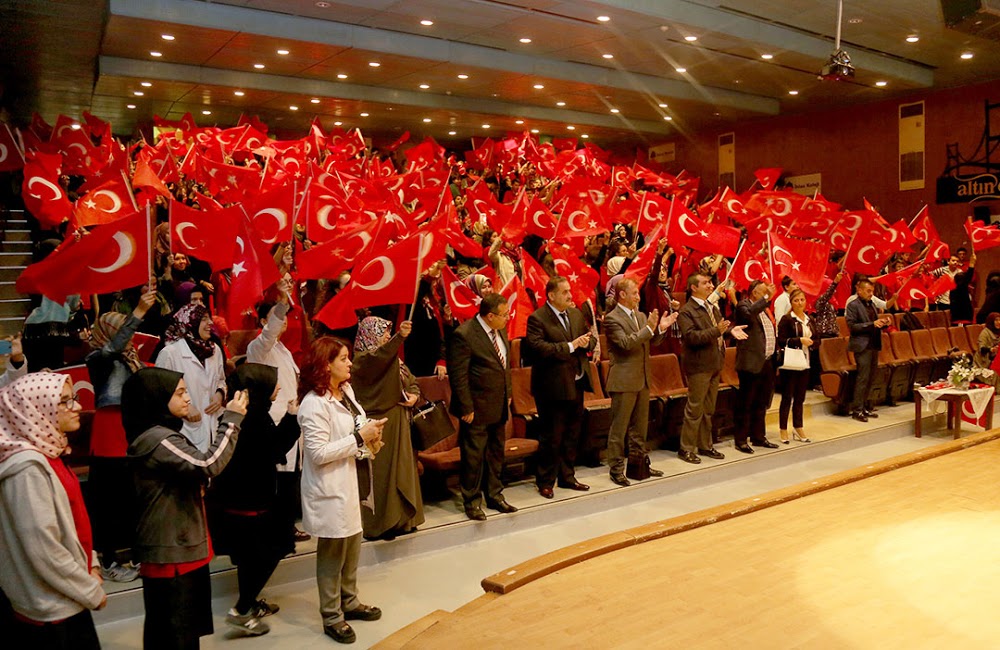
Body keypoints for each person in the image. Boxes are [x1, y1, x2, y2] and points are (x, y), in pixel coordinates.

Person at [123, 367, 248, 647]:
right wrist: (232, 420)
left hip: (177, 547)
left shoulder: (159, 434)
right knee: (175, 633)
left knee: (178, 632)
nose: (187, 399)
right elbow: (207, 464)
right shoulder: (159, 439)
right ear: (155, 397)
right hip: (172, 552)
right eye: (179, 393)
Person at [0, 374, 106, 649]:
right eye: (64, 402)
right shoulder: (26, 469)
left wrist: (90, 564)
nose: (77, 407)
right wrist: (89, 590)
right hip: (52, 610)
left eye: (73, 399)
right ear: (35, 410)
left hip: (68, 596)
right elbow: (43, 548)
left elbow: (70, 522)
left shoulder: (51, 452)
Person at [297, 337, 386, 644]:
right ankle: (331, 615)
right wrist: (360, 438)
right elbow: (319, 452)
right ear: (326, 365)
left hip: (351, 479)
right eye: (344, 359)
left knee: (352, 545)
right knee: (333, 552)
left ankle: (349, 601)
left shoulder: (345, 391)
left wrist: (369, 432)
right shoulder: (313, 404)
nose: (350, 363)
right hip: (328, 487)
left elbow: (354, 427)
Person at [209, 363, 300, 635]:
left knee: (251, 556)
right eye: (273, 383)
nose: (279, 387)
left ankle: (249, 601)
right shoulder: (253, 419)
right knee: (273, 549)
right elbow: (273, 449)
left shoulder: (249, 413)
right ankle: (242, 608)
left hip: (240, 499)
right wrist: (292, 417)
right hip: (249, 502)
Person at [85, 285, 158, 583]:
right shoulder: (99, 358)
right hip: (108, 439)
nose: (126, 338)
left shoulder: (132, 358)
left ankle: (139, 555)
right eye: (118, 330)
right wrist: (139, 312)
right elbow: (115, 346)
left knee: (134, 502)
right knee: (108, 504)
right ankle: (108, 559)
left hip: (131, 435)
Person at [246, 277, 307, 546]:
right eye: (274, 318)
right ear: (262, 322)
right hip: (274, 424)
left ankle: (287, 527)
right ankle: (278, 531)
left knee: (291, 480)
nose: (281, 322)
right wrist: (283, 301)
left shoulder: (284, 350)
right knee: (278, 481)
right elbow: (270, 333)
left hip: (291, 422)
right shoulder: (258, 346)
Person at [351, 316, 425, 539]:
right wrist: (399, 337)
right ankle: (383, 523)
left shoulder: (391, 358)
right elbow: (378, 359)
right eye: (383, 332)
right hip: (379, 426)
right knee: (383, 476)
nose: (386, 337)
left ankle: (403, 520)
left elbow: (410, 380)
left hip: (400, 421)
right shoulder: (364, 361)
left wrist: (414, 395)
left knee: (403, 471)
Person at [523, 277, 596, 498]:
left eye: (569, 290)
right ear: (551, 295)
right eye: (564, 292)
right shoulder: (537, 318)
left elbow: (590, 339)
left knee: (572, 434)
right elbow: (537, 348)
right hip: (551, 386)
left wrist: (585, 343)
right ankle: (545, 480)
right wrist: (571, 346)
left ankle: (567, 476)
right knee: (552, 436)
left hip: (576, 382)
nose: (569, 295)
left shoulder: (574, 314)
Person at [447, 294, 517, 519]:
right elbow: (459, 375)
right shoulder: (464, 335)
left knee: (496, 452)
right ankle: (471, 500)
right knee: (474, 455)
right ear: (490, 316)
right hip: (475, 407)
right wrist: (466, 407)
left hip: (498, 403)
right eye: (504, 314)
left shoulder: (500, 331)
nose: (508, 318)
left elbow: (504, 366)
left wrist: (509, 393)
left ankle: (495, 495)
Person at [603, 277, 674, 485]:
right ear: (622, 295)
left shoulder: (641, 315)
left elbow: (650, 341)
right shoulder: (612, 318)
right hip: (623, 380)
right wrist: (649, 329)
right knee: (619, 428)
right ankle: (615, 468)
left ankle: (638, 464)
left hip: (642, 378)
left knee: (640, 428)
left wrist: (660, 328)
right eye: (634, 293)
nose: (638, 297)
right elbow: (626, 344)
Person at [676, 273, 747, 464]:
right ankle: (686, 448)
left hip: (715, 362)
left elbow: (720, 329)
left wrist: (731, 330)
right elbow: (691, 337)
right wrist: (718, 331)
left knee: (708, 408)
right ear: (693, 287)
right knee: (695, 408)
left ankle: (705, 444)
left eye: (709, 282)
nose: (710, 285)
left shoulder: (711, 307)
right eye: (705, 283)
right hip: (699, 365)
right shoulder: (687, 311)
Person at [155, 303, 228, 452]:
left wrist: (220, 394)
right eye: (204, 319)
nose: (210, 324)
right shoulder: (170, 353)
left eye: (209, 319)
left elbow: (221, 380)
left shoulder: (214, 351)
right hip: (182, 431)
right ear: (189, 322)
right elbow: (158, 394)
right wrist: (185, 408)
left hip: (211, 429)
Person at [732, 280, 780, 454]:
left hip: (766, 361)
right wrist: (767, 298)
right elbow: (747, 316)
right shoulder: (743, 306)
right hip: (750, 363)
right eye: (762, 292)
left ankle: (759, 436)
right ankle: (741, 439)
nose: (766, 296)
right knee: (746, 402)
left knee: (762, 402)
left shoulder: (764, 310)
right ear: (753, 293)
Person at [846, 279, 891, 422]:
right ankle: (857, 410)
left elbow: (874, 324)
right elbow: (852, 326)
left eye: (872, 291)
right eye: (868, 291)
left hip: (873, 344)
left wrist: (883, 323)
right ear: (859, 290)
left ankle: (865, 406)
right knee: (863, 378)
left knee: (871, 377)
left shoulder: (871, 304)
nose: (871, 294)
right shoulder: (853, 305)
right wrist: (872, 324)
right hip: (862, 345)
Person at [776, 289, 813, 443]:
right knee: (787, 397)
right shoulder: (787, 319)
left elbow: (816, 337)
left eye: (802, 300)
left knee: (800, 398)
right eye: (796, 300)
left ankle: (798, 427)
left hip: (805, 362)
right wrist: (799, 341)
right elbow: (782, 340)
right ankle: (783, 429)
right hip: (791, 363)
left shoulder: (809, 319)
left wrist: (813, 343)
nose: (800, 303)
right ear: (791, 303)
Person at [949, 253, 976, 323]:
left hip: (956, 319)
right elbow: (969, 276)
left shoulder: (952, 290)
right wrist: (972, 263)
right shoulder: (962, 289)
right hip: (962, 319)